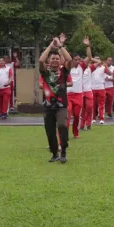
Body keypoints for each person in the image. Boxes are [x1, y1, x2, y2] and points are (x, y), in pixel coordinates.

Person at [39, 35, 73, 163]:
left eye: (57, 59)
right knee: (50, 131)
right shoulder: (45, 72)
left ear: (60, 61)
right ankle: (54, 154)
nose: (54, 60)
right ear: (49, 60)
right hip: (48, 106)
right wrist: (50, 46)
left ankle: (63, 151)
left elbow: (69, 59)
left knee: (63, 126)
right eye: (52, 58)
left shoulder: (64, 72)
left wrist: (60, 46)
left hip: (61, 106)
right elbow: (41, 61)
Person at [80, 40, 95, 132]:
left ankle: (88, 124)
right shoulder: (78, 68)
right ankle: (82, 125)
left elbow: (90, 58)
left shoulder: (90, 68)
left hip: (88, 90)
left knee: (89, 107)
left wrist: (88, 46)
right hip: (80, 91)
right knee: (82, 110)